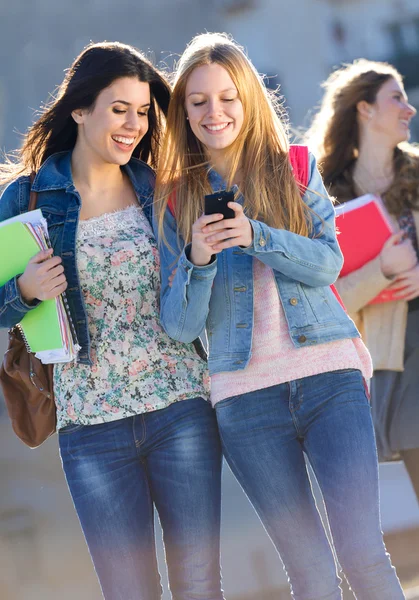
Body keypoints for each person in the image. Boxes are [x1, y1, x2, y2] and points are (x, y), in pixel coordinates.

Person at [154, 33, 405, 599]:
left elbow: (327, 263)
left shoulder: (294, 167)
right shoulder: (175, 200)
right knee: (311, 575)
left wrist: (256, 235)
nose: (213, 113)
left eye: (226, 97)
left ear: (247, 98)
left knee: (363, 556)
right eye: (197, 102)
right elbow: (181, 327)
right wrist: (198, 259)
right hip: (246, 402)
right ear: (183, 112)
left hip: (328, 379)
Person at [0, 42, 224, 600]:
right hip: (91, 425)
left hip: (182, 410)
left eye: (143, 111)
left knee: (200, 587)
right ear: (80, 109)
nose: (134, 124)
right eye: (118, 108)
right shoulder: (25, 196)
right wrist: (24, 292)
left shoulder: (161, 187)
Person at [306, 59, 419, 503]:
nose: (409, 108)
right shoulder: (325, 199)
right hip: (394, 356)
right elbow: (324, 299)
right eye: (397, 98)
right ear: (365, 109)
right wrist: (384, 270)